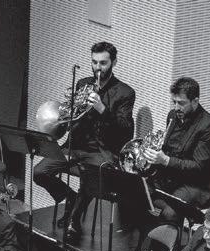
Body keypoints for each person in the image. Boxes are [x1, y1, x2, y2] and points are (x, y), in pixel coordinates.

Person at [31, 41, 135, 233]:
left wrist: (102, 109)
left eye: (103, 63)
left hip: (101, 151)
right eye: (94, 62)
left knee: (89, 179)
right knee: (39, 172)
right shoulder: (83, 84)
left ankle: (75, 218)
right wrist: (68, 111)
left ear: (114, 62)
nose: (98, 67)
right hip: (75, 145)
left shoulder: (125, 93)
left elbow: (126, 130)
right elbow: (74, 116)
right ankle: (69, 197)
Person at [144, 77, 210, 224]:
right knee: (138, 192)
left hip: (196, 183)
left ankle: (168, 238)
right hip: (173, 176)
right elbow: (168, 148)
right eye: (174, 102)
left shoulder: (209, 125)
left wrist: (165, 160)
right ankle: (146, 236)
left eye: (181, 103)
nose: (176, 108)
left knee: (170, 212)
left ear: (195, 101)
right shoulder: (172, 116)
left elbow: (198, 167)